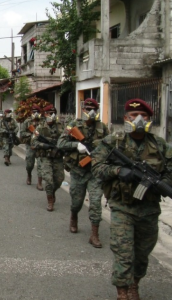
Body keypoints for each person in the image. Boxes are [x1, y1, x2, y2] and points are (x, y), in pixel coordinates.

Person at [91, 98, 172, 300]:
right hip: (122, 207)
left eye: (143, 116)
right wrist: (118, 170)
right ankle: (123, 292)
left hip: (150, 210)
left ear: (150, 119)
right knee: (123, 253)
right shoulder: (113, 142)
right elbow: (96, 167)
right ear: (126, 118)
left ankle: (134, 284)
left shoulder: (159, 144)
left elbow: (170, 170)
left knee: (142, 254)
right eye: (133, 116)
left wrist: (161, 182)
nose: (138, 119)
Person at [57, 98, 109, 248]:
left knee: (95, 203)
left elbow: (110, 148)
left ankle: (94, 234)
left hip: (95, 172)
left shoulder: (103, 128)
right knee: (77, 202)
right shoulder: (74, 125)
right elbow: (60, 144)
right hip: (78, 171)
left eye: (93, 109)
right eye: (87, 109)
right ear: (83, 110)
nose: (90, 112)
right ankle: (74, 217)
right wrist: (76, 145)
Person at [31, 104, 64, 211]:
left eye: (54, 113)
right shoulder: (40, 127)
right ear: (45, 114)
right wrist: (44, 145)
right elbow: (34, 142)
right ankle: (50, 201)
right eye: (50, 113)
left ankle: (52, 192)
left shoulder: (61, 127)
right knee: (48, 180)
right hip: (45, 157)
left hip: (57, 157)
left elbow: (66, 140)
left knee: (59, 179)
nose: (52, 116)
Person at [20, 105, 43, 186]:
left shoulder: (43, 122)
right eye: (34, 112)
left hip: (40, 146)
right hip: (30, 145)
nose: (35, 113)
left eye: (37, 112)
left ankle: (39, 182)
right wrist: (32, 135)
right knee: (30, 164)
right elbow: (22, 133)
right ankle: (29, 175)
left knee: (41, 164)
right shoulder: (27, 122)